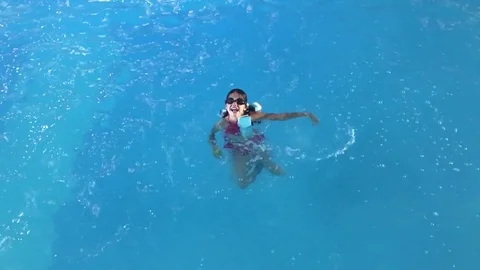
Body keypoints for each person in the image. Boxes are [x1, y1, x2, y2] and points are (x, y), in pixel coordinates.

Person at [208, 88, 319, 189]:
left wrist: (305, 114)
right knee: (242, 183)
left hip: (254, 142)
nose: (234, 104)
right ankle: (258, 167)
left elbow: (280, 116)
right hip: (237, 148)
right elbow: (211, 135)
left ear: (245, 107)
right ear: (226, 104)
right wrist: (214, 147)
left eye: (239, 102)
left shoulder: (252, 116)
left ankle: (262, 162)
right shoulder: (222, 123)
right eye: (230, 101)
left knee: (278, 171)